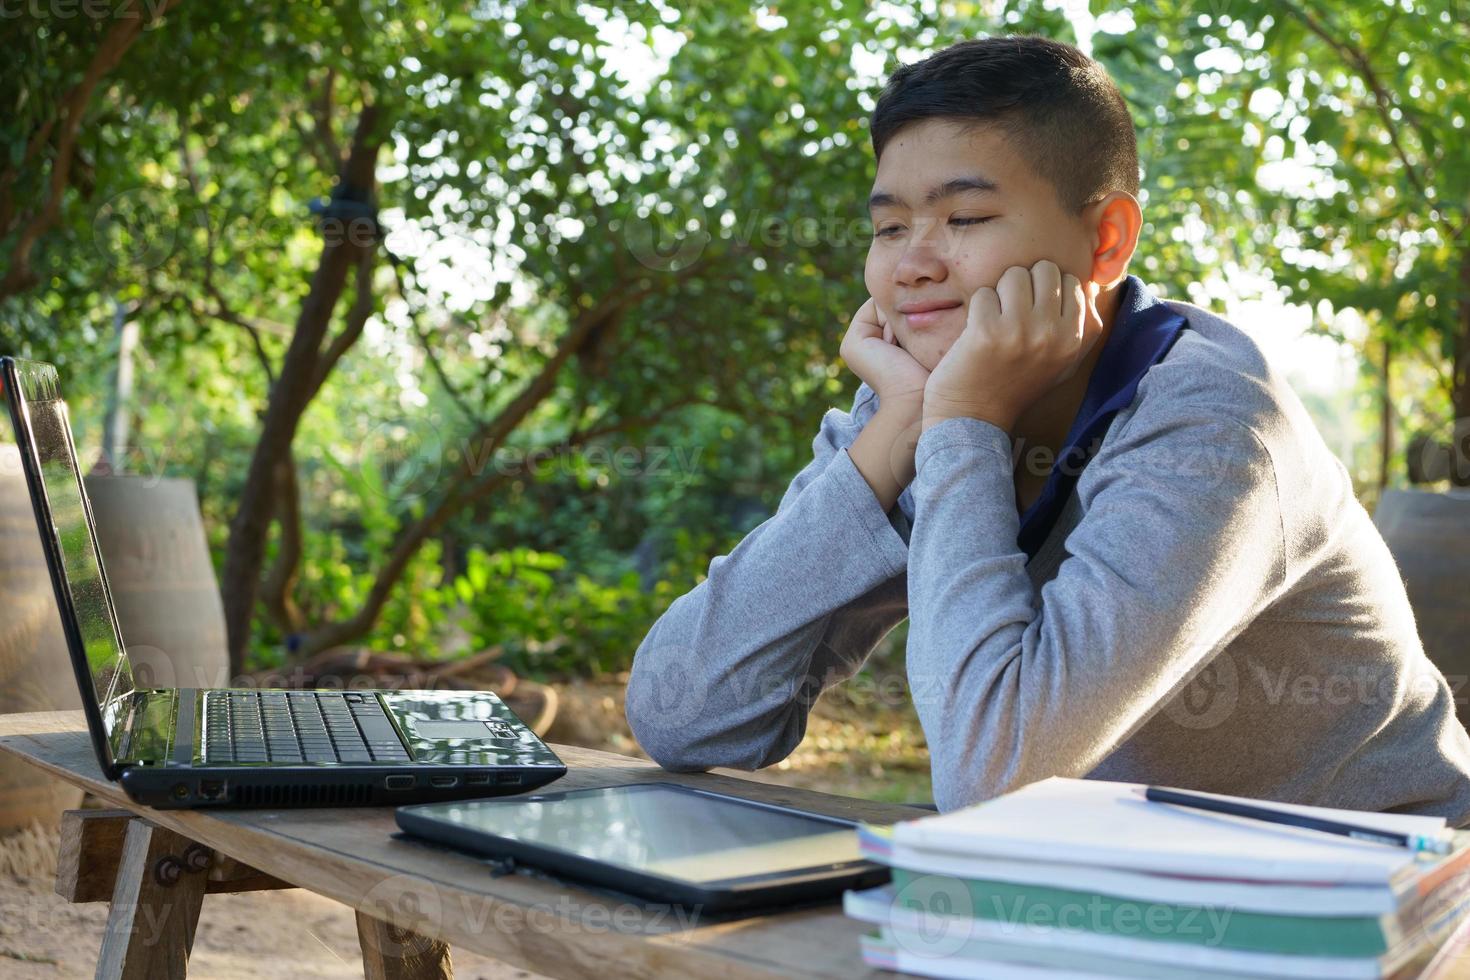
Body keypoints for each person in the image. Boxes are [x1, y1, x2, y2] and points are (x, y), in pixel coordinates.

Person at [624, 34, 1470, 820]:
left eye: (965, 219)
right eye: (888, 228)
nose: (913, 263)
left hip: (1394, 898)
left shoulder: (1213, 425)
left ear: (1106, 241)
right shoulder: (915, 408)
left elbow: (993, 774)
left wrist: (962, 424)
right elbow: (678, 714)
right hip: (1123, 892)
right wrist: (894, 440)